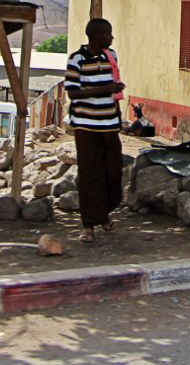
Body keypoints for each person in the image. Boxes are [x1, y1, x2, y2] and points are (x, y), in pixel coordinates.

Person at [65, 17, 124, 243]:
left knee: (113, 172)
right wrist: (104, 89)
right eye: (107, 34)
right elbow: (72, 92)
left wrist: (116, 106)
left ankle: (104, 212)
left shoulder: (112, 56)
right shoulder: (76, 59)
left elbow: (114, 88)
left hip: (109, 125)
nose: (111, 37)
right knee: (90, 175)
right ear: (95, 36)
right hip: (86, 126)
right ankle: (89, 225)